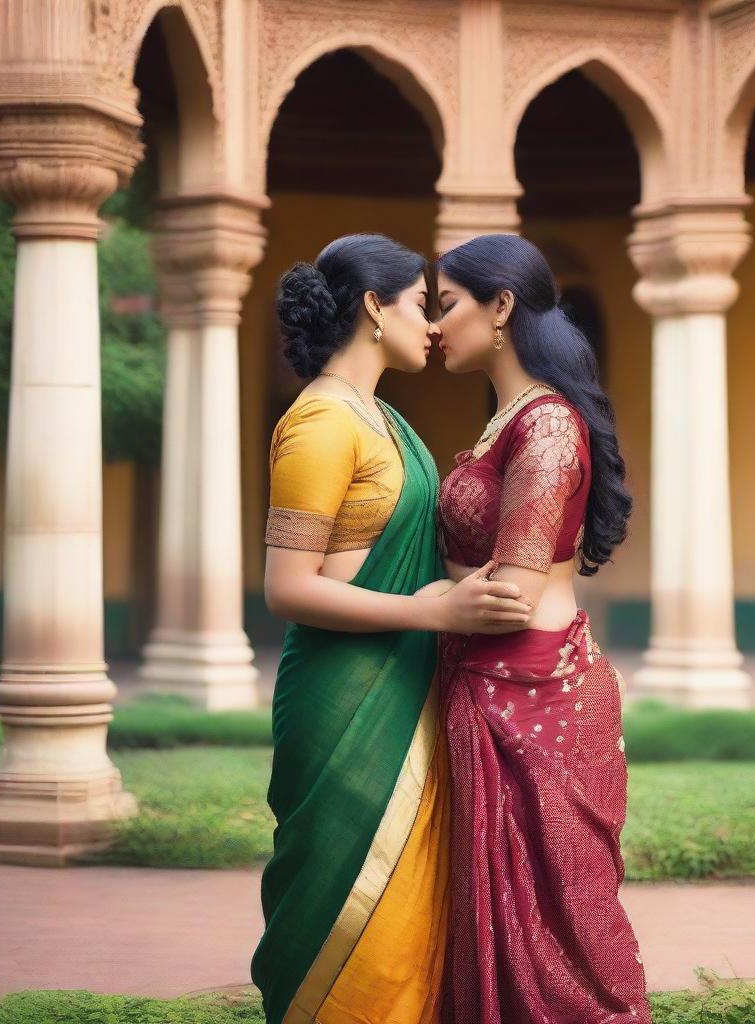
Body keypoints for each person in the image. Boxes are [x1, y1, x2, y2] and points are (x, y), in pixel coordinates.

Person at [250, 233, 533, 1024]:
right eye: (420, 302)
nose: (435, 324)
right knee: (341, 904)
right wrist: (428, 610)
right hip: (341, 702)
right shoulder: (320, 423)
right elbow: (287, 587)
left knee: (409, 913)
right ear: (374, 307)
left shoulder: (384, 420)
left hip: (407, 686)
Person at [432, 234, 652, 1023]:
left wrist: (406, 595)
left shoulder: (548, 428)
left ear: (500, 308)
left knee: (565, 947)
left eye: (446, 304)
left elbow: (513, 592)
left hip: (536, 698)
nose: (432, 325)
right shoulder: (509, 422)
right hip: (493, 687)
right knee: (497, 924)